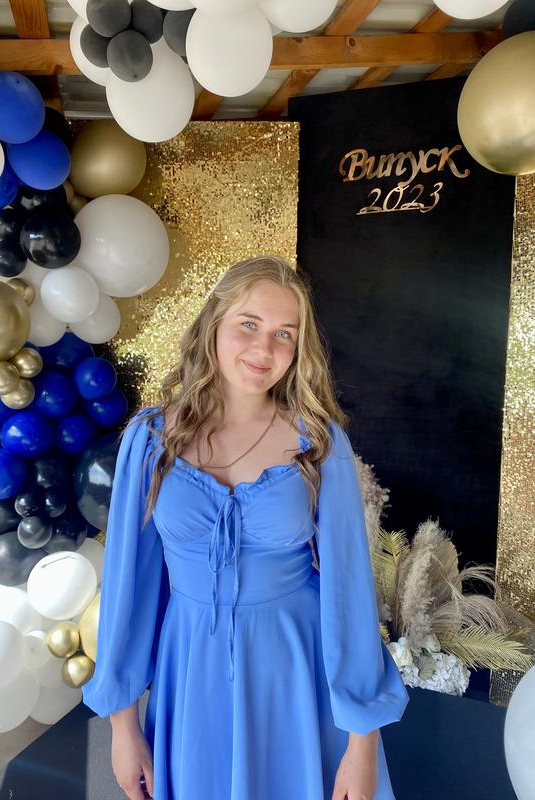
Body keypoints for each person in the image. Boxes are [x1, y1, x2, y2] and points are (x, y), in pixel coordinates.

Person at [81, 255, 409, 800]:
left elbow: (349, 593)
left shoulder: (319, 442)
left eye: (285, 334)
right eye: (249, 324)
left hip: (296, 674)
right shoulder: (151, 439)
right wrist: (123, 725)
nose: (264, 349)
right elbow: (128, 590)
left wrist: (362, 744)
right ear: (213, 322)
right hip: (191, 674)